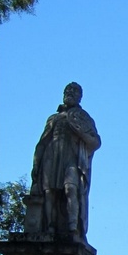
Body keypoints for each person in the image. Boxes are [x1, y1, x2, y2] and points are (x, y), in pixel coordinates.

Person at [28, 81, 102, 239]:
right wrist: (36, 164)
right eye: (67, 91)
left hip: (70, 158)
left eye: (74, 92)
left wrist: (80, 131)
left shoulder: (82, 118)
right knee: (49, 193)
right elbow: (42, 143)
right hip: (51, 156)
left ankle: (72, 227)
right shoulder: (54, 118)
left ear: (79, 97)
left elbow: (95, 142)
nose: (70, 93)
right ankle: (50, 227)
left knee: (71, 189)